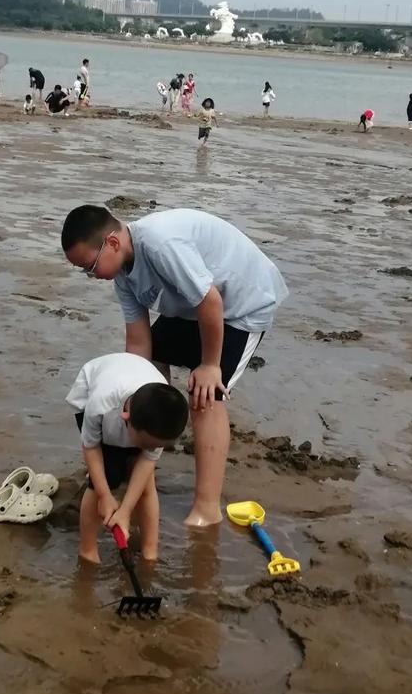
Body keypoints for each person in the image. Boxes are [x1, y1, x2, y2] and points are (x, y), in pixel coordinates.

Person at [61, 205, 287, 529]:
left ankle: (206, 508)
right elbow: (138, 345)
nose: (91, 275)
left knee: (205, 394)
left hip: (243, 304)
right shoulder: (123, 275)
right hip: (197, 306)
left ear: (112, 243)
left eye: (90, 266)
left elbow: (211, 301)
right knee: (150, 369)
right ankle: (145, 446)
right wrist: (134, 396)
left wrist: (209, 366)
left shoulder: (160, 244)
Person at [65, 353, 189, 563]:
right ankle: (88, 551)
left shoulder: (162, 419)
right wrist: (105, 495)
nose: (150, 450)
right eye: (144, 444)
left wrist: (125, 510)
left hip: (135, 387)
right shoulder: (100, 405)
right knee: (104, 478)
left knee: (146, 483)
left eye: (156, 446)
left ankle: (150, 551)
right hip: (90, 392)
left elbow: (147, 461)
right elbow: (91, 448)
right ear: (126, 419)